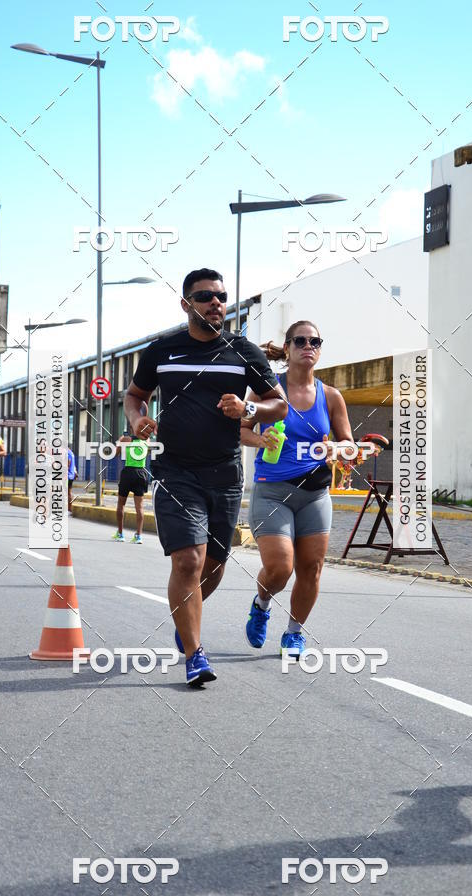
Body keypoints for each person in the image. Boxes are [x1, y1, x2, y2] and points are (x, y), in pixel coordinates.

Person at [124, 267, 287, 687]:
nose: (216, 302)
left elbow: (279, 405)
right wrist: (137, 418)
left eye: (221, 296)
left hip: (226, 474)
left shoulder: (243, 351)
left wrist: (248, 410)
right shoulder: (163, 350)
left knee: (214, 565)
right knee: (189, 559)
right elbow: (134, 396)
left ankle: (185, 622)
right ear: (186, 304)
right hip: (176, 470)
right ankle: (195, 653)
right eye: (205, 296)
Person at [241, 321, 355, 658]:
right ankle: (261, 604)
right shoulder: (266, 391)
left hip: (316, 495)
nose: (309, 345)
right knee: (280, 568)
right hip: (273, 491)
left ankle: (294, 633)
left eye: (315, 341)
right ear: (287, 349)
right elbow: (241, 430)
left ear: (319, 350)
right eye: (301, 340)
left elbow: (348, 442)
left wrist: (339, 449)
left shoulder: (331, 396)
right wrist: (261, 439)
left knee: (312, 569)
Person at [112, 432, 149, 544]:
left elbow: (115, 454)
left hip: (128, 472)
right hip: (141, 472)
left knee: (121, 504)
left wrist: (120, 441)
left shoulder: (126, 440)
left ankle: (120, 534)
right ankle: (138, 536)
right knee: (140, 507)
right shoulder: (147, 441)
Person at [67, 447, 78, 512]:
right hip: (71, 475)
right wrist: (75, 472)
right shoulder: (71, 452)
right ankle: (69, 509)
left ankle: (69, 508)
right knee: (69, 493)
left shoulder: (66, 453)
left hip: (66, 475)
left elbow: (67, 463)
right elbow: (73, 465)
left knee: (67, 493)